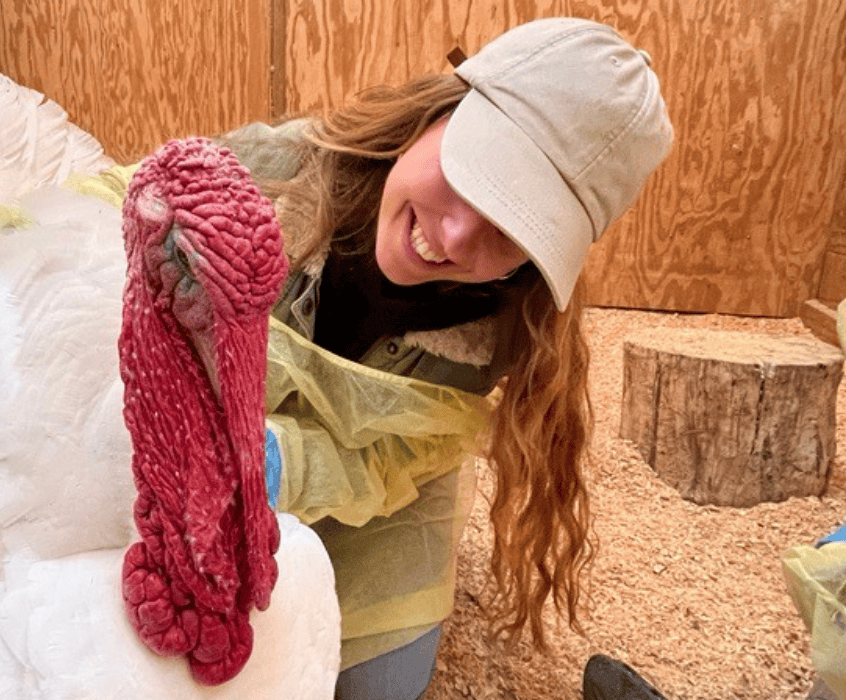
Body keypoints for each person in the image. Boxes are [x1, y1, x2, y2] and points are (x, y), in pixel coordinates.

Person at [214, 16, 675, 700]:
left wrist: (275, 462)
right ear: (443, 108)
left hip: (366, 488)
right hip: (203, 434)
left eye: (513, 229)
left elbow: (385, 460)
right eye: (471, 174)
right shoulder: (271, 170)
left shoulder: (502, 327)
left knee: (376, 688)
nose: (455, 238)